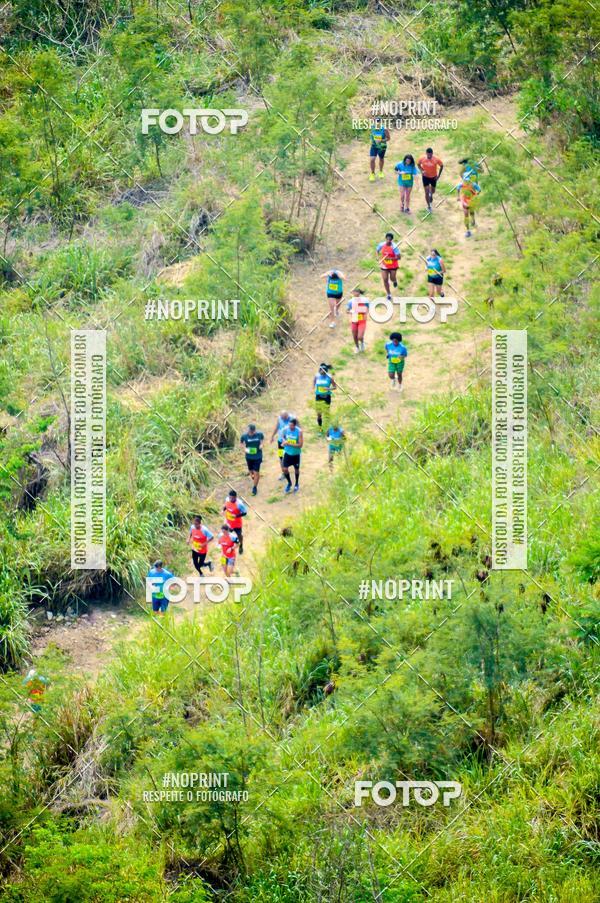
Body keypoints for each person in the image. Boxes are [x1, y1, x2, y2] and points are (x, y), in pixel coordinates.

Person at [417, 147, 444, 213]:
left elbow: (442, 166)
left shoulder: (436, 159)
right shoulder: (422, 158)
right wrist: (422, 170)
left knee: (433, 191)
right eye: (428, 155)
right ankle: (429, 206)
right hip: (425, 177)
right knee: (426, 191)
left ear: (432, 154)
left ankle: (431, 194)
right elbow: (418, 164)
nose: (429, 156)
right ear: (426, 153)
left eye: (430, 155)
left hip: (433, 177)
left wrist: (438, 176)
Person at [240, 423, 264, 495]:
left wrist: (261, 445)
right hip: (249, 456)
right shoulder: (244, 436)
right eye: (249, 431)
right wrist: (244, 449)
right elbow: (241, 443)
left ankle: (254, 487)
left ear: (254, 431)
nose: (251, 433)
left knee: (256, 472)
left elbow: (262, 440)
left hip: (258, 456)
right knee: (251, 472)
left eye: (252, 432)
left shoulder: (259, 434)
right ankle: (253, 475)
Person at [376, 233, 401, 300]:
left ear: (391, 240)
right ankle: (389, 294)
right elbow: (377, 250)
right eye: (387, 239)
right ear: (385, 239)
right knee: (385, 279)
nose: (388, 241)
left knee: (392, 278)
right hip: (384, 265)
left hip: (393, 265)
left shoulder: (394, 247)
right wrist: (377, 257)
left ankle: (394, 280)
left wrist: (390, 258)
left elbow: (399, 257)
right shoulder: (381, 244)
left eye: (389, 240)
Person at [281, 416, 303, 493]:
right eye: (289, 425)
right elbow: (282, 436)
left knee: (296, 469)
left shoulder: (299, 432)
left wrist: (289, 443)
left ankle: (296, 483)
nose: (290, 427)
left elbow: (300, 445)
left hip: (296, 454)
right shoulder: (286, 429)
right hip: (287, 452)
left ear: (295, 425)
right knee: (285, 469)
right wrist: (284, 441)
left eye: (292, 426)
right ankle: (289, 483)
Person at [456, 172, 481, 237]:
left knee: (472, 212)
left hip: (472, 201)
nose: (467, 181)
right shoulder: (461, 184)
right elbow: (458, 188)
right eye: (465, 180)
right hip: (465, 201)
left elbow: (479, 190)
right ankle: (468, 231)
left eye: (468, 180)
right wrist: (458, 196)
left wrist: (476, 195)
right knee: (466, 215)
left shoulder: (473, 184)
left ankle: (473, 221)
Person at [314, 363, 337, 432]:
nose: (321, 373)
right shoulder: (317, 376)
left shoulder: (329, 377)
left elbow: (335, 387)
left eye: (323, 372)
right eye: (320, 371)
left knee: (326, 413)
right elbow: (315, 382)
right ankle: (320, 429)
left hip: (327, 397)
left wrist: (328, 389)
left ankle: (327, 429)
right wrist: (314, 387)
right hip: (318, 397)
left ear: (326, 371)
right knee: (319, 414)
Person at [223, 489, 247, 554]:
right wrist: (223, 509)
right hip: (228, 523)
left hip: (237, 524)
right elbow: (226, 506)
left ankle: (241, 545)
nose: (231, 499)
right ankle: (229, 547)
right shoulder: (227, 499)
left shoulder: (239, 504)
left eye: (232, 498)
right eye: (230, 497)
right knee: (227, 535)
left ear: (235, 497)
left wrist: (236, 516)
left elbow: (245, 513)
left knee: (239, 535)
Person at [346, 288, 370, 353]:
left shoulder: (365, 300)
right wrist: (351, 311)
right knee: (354, 335)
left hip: (362, 320)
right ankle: (357, 347)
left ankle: (362, 343)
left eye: (356, 292)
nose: (355, 293)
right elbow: (347, 310)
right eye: (354, 292)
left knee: (359, 336)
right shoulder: (350, 301)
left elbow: (368, 308)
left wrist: (365, 313)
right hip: (354, 320)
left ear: (359, 293)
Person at [270, 410, 291, 480]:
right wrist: (272, 436)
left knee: (290, 456)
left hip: (289, 442)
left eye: (285, 417)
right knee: (281, 456)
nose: (283, 419)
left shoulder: (292, 419)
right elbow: (276, 427)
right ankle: (284, 473)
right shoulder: (279, 418)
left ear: (287, 415)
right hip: (280, 442)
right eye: (282, 418)